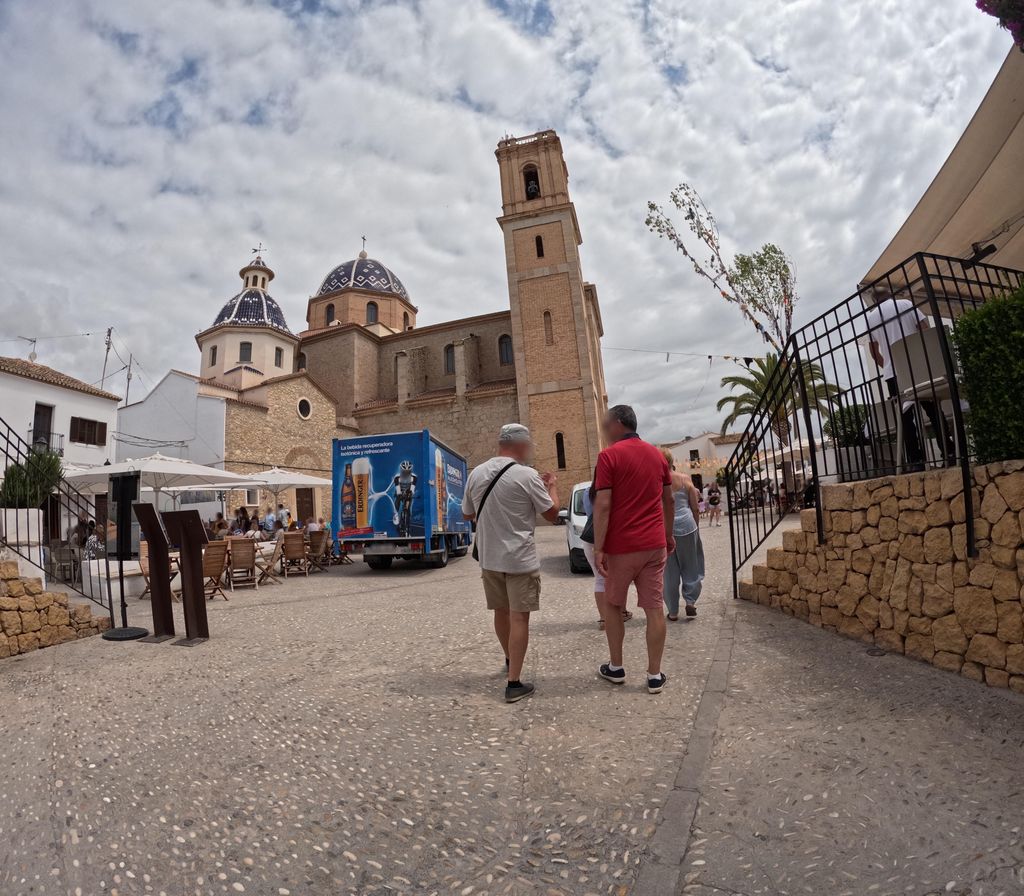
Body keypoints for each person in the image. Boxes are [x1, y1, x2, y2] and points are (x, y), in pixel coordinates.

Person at [462, 423, 560, 704]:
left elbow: (467, 514)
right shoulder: (527, 476)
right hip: (519, 559)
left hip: (489, 559)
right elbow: (552, 514)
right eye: (528, 445)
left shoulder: (476, 473)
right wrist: (551, 487)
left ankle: (509, 657)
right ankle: (514, 682)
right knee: (519, 617)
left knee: (501, 612)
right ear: (519, 445)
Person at [592, 405, 673, 695]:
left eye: (606, 424)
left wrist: (599, 547)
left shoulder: (608, 456)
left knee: (613, 606)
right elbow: (668, 501)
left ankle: (616, 667)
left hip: (622, 546)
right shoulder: (657, 456)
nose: (604, 430)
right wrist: (668, 535)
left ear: (617, 424)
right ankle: (654, 675)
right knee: (654, 609)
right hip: (654, 545)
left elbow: (603, 504)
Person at [865, 289, 955, 468]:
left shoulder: (871, 318)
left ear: (874, 301)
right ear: (890, 295)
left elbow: (874, 353)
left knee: (905, 418)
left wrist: (890, 366)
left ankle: (916, 460)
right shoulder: (905, 305)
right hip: (919, 365)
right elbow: (925, 331)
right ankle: (949, 452)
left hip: (894, 373)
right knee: (933, 409)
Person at [580, 482, 633, 630]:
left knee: (600, 578)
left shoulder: (587, 492)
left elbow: (590, 514)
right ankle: (621, 612)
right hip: (609, 537)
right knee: (618, 578)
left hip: (590, 537)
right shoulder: (615, 490)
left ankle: (604, 619)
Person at [660, 448, 704, 621]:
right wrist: (696, 526)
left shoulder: (657, 482)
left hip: (666, 529)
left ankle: (672, 611)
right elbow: (695, 506)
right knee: (691, 565)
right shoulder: (686, 479)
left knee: (669, 571)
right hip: (687, 526)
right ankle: (690, 601)